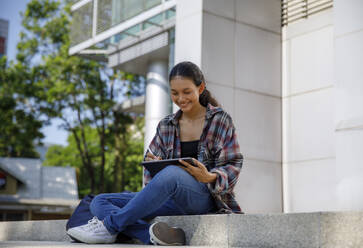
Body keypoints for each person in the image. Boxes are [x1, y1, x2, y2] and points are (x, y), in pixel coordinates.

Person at [66, 61, 244, 245]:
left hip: (204, 198)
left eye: (187, 91)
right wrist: (154, 163)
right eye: (174, 93)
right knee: (99, 201)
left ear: (200, 88)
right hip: (169, 199)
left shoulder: (220, 119)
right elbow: (151, 169)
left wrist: (209, 176)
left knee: (172, 173)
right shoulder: (166, 124)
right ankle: (151, 234)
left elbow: (234, 162)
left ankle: (109, 228)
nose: (181, 98)